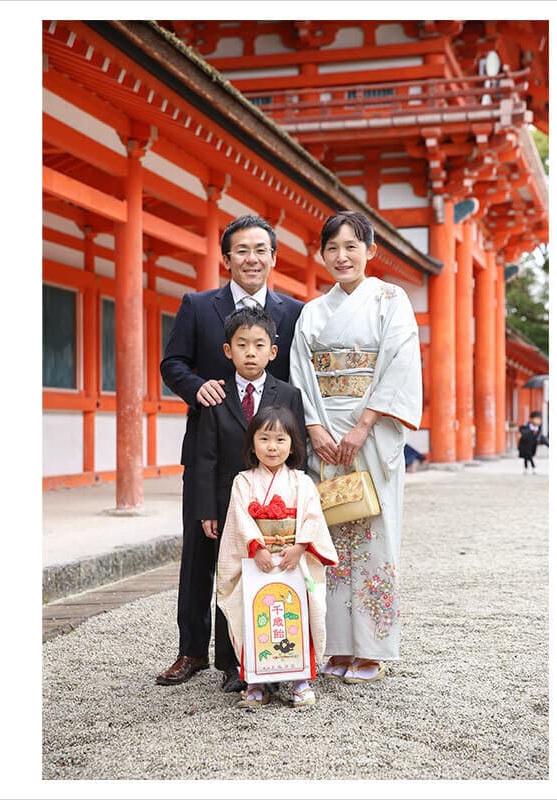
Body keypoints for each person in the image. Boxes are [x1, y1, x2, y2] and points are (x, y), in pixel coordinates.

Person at [157, 215, 304, 689]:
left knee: (264, 554)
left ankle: (254, 654)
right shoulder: (199, 306)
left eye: (261, 250)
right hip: (211, 449)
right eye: (241, 250)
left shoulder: (294, 313)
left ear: (273, 257)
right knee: (202, 552)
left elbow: (300, 381)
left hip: (269, 460)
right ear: (226, 258)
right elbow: (172, 362)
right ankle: (191, 651)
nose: (252, 259)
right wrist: (197, 387)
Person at [289, 210, 422, 684]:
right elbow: (301, 376)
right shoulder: (312, 312)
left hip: (370, 432)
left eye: (352, 246)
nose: (342, 256)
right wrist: (315, 430)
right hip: (327, 437)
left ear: (370, 251)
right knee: (331, 541)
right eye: (332, 248)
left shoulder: (391, 299)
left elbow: (399, 363)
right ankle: (339, 646)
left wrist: (363, 425)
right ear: (321, 254)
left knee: (375, 536)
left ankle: (374, 649)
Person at [195, 305, 307, 691]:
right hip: (232, 501)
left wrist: (297, 501)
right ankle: (231, 663)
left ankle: (280, 657)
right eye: (241, 345)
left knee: (277, 578)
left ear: (273, 352)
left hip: (277, 503)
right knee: (232, 578)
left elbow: (298, 450)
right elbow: (205, 456)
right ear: (228, 350)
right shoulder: (217, 395)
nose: (250, 352)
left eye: (259, 345)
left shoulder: (288, 394)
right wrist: (208, 509)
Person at [217, 405, 337, 708]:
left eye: (281, 440)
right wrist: (256, 547)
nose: (272, 447)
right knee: (254, 617)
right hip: (257, 562)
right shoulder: (243, 482)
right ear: (252, 443)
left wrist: (299, 548)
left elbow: (312, 518)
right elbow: (240, 520)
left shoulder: (302, 482)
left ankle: (300, 682)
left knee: (299, 617)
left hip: (293, 560)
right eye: (264, 439)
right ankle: (256, 684)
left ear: (293, 445)